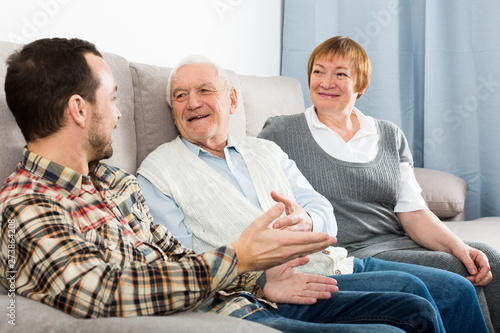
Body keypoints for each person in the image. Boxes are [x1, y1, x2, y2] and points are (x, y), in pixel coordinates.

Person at [0, 37, 440, 333]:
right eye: (111, 99)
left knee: (414, 307)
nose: (118, 115)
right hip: (204, 315)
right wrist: (240, 258)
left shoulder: (114, 182)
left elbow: (176, 254)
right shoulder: (27, 205)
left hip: (243, 298)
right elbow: (100, 293)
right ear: (80, 110)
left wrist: (255, 282)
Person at [137, 55, 488, 333]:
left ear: (230, 99)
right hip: (275, 288)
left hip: (337, 261)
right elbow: (180, 263)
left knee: (456, 291)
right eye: (180, 96)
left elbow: (320, 207)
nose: (192, 102)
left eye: (204, 90)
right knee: (412, 295)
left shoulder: (264, 150)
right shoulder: (159, 171)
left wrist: (307, 219)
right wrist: (257, 279)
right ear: (172, 109)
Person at [258, 35, 500, 332]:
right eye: (318, 71)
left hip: (400, 241)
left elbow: (413, 212)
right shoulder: (282, 130)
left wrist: (458, 246)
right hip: (354, 252)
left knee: (488, 258)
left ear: (361, 86)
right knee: (460, 271)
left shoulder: (388, 134)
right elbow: (254, 183)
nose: (325, 82)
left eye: (340, 74)